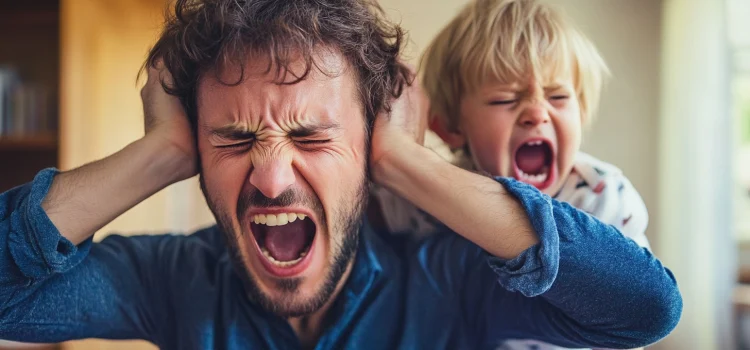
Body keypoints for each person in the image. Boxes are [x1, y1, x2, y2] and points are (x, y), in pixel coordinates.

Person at [0, 0, 680, 349]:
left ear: (369, 146)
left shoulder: (446, 278)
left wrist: (403, 159)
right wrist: (158, 154)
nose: (271, 178)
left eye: (312, 135)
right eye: (233, 137)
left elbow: (644, 308)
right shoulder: (173, 279)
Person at [374, 0, 649, 251]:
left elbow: (635, 292)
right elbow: (370, 210)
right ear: (449, 128)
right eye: (504, 100)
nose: (537, 113)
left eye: (558, 97)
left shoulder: (600, 197)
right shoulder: (435, 193)